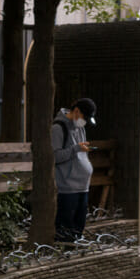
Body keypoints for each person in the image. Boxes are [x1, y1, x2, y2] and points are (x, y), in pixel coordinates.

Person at [53, 97, 96, 241]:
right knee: (66, 227)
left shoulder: (80, 128)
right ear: (76, 111)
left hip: (83, 185)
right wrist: (76, 148)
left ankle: (75, 246)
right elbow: (55, 156)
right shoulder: (58, 128)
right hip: (67, 186)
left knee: (79, 225)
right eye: (84, 117)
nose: (84, 122)